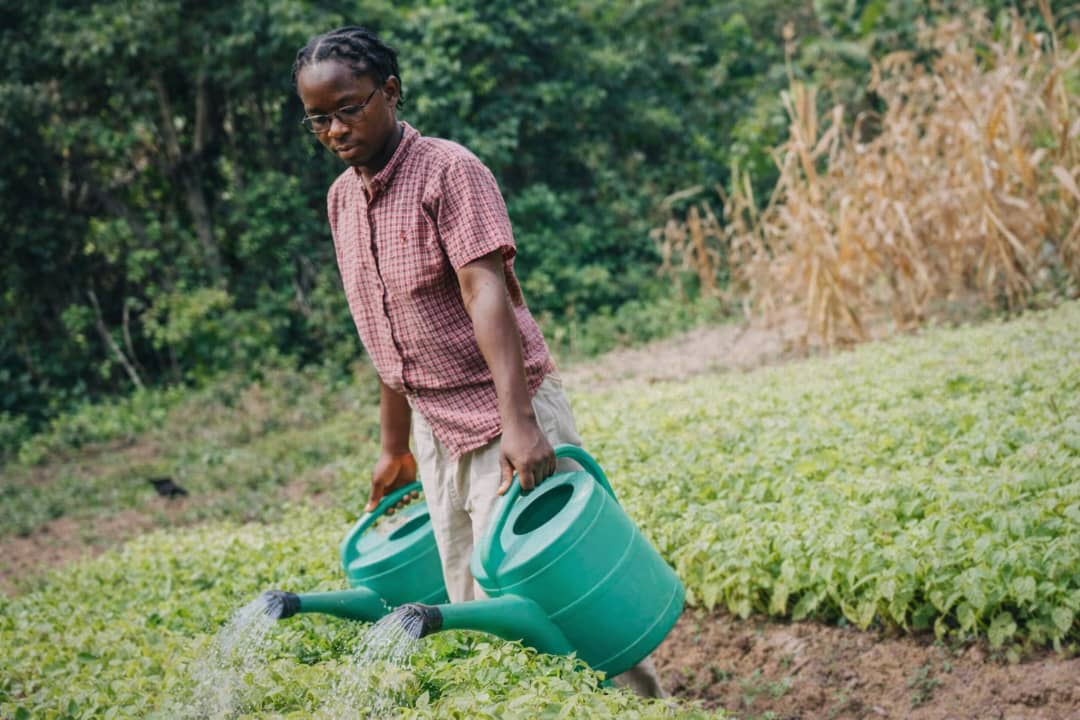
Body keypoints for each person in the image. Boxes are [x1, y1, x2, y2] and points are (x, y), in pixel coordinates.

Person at [292, 25, 664, 698]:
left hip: (503, 414)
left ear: (390, 92)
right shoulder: (342, 199)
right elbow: (385, 330)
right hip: (435, 430)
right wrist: (394, 446)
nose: (336, 130)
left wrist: (520, 423)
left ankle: (643, 707)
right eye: (319, 119)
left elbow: (483, 290)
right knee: (476, 606)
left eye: (348, 108)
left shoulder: (448, 171)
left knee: (550, 592)